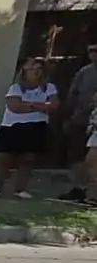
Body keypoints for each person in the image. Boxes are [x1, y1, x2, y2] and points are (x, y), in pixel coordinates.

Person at [0, 57, 58, 199]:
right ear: (25, 71)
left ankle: (20, 189)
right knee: (5, 159)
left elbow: (54, 105)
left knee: (28, 159)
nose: (37, 73)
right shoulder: (15, 88)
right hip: (13, 126)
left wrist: (30, 105)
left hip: (36, 126)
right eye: (33, 69)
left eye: (40, 70)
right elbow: (15, 107)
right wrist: (40, 106)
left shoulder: (49, 88)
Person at [58, 42, 97, 201]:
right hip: (80, 120)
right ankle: (78, 188)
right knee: (77, 156)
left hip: (94, 122)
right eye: (91, 50)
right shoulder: (85, 72)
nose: (94, 53)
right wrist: (68, 116)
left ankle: (92, 192)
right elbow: (72, 94)